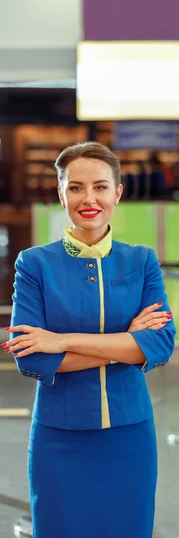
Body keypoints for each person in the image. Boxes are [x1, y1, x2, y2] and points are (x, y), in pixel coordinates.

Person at [1, 142, 176, 538]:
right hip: (59, 437)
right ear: (61, 193)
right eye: (76, 187)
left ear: (117, 192)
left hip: (129, 433)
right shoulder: (34, 264)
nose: (88, 198)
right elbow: (32, 359)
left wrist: (61, 341)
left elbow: (160, 345)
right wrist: (128, 343)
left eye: (100, 187)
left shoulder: (142, 261)